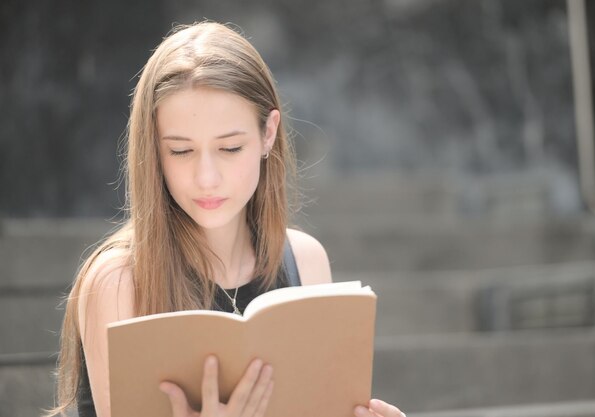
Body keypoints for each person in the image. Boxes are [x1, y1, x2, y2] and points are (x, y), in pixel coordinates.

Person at [47, 21, 406, 417]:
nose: (206, 178)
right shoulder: (118, 281)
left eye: (230, 148)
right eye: (181, 151)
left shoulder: (304, 261)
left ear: (268, 134)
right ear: (154, 148)